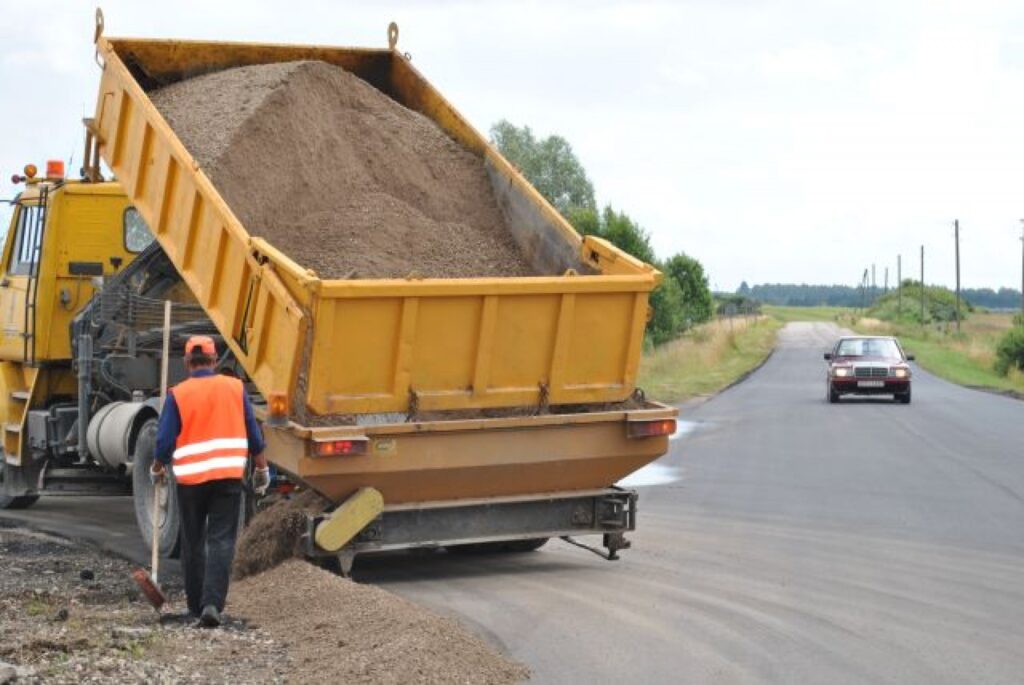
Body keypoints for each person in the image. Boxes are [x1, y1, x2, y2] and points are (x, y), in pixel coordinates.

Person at [149, 335, 271, 628]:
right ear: (215, 360)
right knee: (221, 541)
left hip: (191, 482)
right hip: (227, 478)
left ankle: (195, 606)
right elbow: (253, 434)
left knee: (192, 541)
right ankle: (212, 604)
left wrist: (157, 467)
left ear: (187, 362)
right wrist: (262, 468)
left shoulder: (178, 394)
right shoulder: (235, 388)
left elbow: (164, 441)